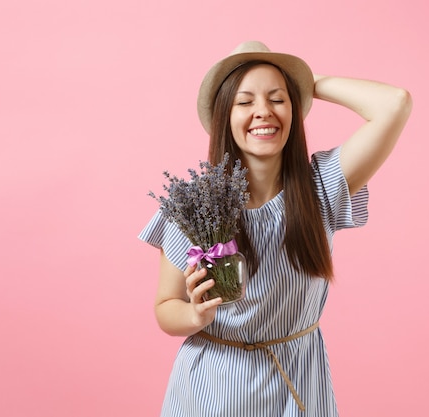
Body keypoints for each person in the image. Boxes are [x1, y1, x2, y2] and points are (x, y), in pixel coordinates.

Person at [139, 41, 412, 416]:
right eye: (245, 102)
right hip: (215, 387)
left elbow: (394, 103)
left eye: (277, 99)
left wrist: (305, 82)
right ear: (225, 117)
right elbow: (165, 306)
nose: (263, 112)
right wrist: (194, 316)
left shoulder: (323, 185)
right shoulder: (194, 204)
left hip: (298, 379)